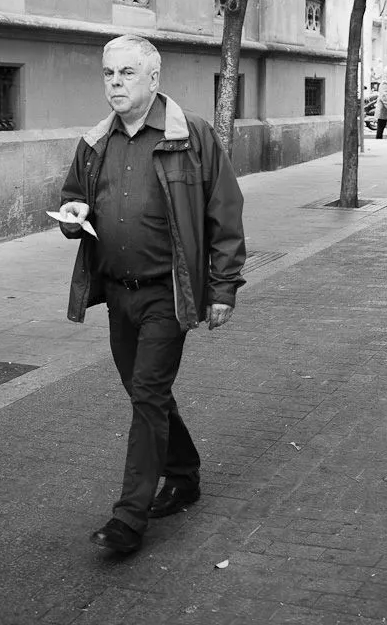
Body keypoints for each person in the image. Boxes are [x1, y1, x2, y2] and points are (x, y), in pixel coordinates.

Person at [56, 35, 246, 553]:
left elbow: (224, 212)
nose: (114, 83)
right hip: (119, 294)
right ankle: (184, 473)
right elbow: (75, 197)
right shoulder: (96, 142)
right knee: (147, 393)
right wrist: (72, 217)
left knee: (146, 393)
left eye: (125, 73)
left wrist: (224, 287)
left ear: (153, 79)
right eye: (107, 73)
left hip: (170, 291)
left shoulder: (193, 136)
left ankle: (129, 518)